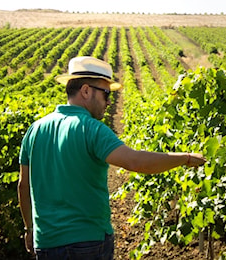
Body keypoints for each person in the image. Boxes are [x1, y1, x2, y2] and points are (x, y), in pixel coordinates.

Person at [18, 56, 206, 260]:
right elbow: (136, 162)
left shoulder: (35, 130)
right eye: (106, 94)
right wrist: (185, 158)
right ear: (86, 91)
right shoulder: (91, 129)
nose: (109, 102)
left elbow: (23, 185)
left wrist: (29, 228)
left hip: (45, 244)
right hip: (87, 243)